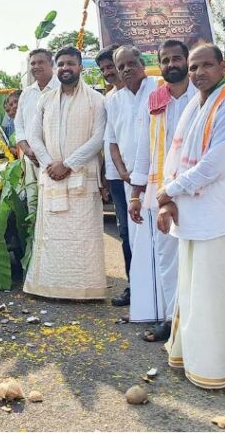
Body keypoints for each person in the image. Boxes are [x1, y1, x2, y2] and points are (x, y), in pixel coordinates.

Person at [159, 44, 225, 390]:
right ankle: (192, 358)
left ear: (223, 67)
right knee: (192, 293)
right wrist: (169, 199)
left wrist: (169, 191)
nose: (198, 73)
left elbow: (212, 166)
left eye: (206, 66)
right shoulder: (194, 105)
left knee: (216, 296)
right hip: (192, 215)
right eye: (193, 67)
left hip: (219, 216)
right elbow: (174, 155)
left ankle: (217, 367)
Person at [23, 47, 107, 299]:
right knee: (52, 237)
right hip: (52, 178)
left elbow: (98, 138)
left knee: (83, 238)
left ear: (80, 67)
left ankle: (85, 290)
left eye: (70, 63)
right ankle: (49, 287)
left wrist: (68, 164)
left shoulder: (96, 99)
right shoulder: (45, 100)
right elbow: (33, 136)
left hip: (81, 181)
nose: (65, 68)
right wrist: (49, 163)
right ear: (56, 68)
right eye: (61, 64)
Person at [128, 40, 197, 342]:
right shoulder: (155, 99)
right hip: (161, 191)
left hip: (196, 190)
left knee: (196, 258)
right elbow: (145, 148)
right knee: (167, 259)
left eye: (176, 58)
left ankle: (197, 322)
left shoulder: (202, 96)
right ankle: (172, 319)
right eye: (165, 60)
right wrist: (136, 193)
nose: (171, 64)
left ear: (187, 61)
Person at [105, 46, 158, 309]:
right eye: (121, 66)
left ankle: (164, 302)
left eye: (130, 64)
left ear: (142, 63)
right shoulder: (114, 100)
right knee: (136, 239)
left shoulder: (158, 89)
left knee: (161, 239)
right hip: (129, 183)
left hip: (158, 179)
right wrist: (123, 172)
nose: (126, 69)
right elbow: (112, 142)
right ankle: (142, 299)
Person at [96, 46, 130, 288]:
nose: (108, 72)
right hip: (116, 177)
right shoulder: (108, 99)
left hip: (138, 176)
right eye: (104, 69)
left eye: (111, 66)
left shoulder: (144, 92)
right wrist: (105, 176)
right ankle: (134, 287)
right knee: (125, 232)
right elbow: (108, 141)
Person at [14, 49, 60, 215]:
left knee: (54, 206)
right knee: (33, 207)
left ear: (51, 64)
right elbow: (19, 125)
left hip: (55, 161)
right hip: (31, 160)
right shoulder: (26, 93)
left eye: (40, 62)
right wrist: (27, 150)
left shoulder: (61, 89)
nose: (35, 66)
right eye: (33, 63)